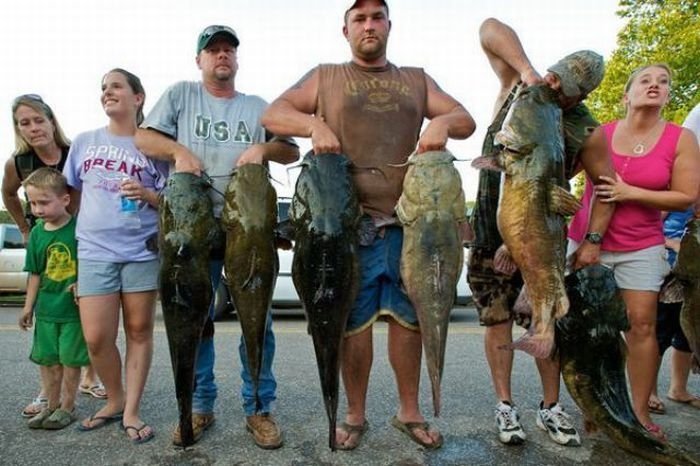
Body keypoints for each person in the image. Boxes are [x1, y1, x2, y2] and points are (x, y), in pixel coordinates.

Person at [262, 0, 475, 450]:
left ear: (389, 26)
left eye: (377, 17)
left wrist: (440, 121)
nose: (369, 25)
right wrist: (311, 124)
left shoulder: (415, 79)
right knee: (352, 325)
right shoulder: (326, 76)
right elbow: (273, 114)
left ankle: (409, 412)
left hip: (409, 225)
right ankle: (355, 414)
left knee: (408, 321)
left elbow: (466, 120)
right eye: (359, 19)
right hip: (345, 227)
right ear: (346, 31)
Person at [135, 25, 299, 449]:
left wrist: (263, 150)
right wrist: (179, 152)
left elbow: (291, 149)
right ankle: (199, 405)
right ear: (199, 61)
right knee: (196, 319)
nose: (221, 56)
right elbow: (142, 136)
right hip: (191, 228)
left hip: (248, 226)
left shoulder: (257, 106)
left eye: (228, 50)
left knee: (257, 322)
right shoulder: (180, 95)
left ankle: (259, 408)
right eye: (213, 51)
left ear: (237, 60)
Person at [468, 18, 614, 447]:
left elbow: (605, 190)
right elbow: (489, 28)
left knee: (544, 312)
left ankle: (551, 407)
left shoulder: (586, 129)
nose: (551, 82)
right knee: (496, 320)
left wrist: (592, 241)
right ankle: (505, 405)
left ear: (581, 96)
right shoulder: (520, 86)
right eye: (553, 71)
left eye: (562, 83)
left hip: (543, 234)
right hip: (489, 231)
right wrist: (528, 70)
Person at [567, 64, 700, 440]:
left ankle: (638, 413)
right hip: (587, 239)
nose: (655, 85)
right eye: (645, 80)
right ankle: (596, 409)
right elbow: (562, 171)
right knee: (589, 331)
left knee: (641, 326)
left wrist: (631, 193)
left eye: (663, 82)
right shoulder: (601, 133)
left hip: (642, 244)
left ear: (668, 96)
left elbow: (686, 196)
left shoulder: (680, 138)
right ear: (626, 95)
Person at [65, 68, 166, 444]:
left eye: (116, 86)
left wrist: (148, 194)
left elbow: (172, 202)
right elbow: (72, 196)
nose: (107, 92)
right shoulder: (85, 142)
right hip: (94, 253)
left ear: (138, 97)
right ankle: (114, 396)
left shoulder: (154, 146)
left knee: (139, 332)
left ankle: (131, 409)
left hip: (141, 252)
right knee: (96, 338)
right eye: (103, 87)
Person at [4, 95, 104, 418]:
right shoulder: (18, 163)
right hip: (45, 240)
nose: (33, 128)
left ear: (51, 120)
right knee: (52, 326)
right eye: (24, 123)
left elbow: (90, 192)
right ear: (18, 128)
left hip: (80, 236)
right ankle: (48, 394)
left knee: (84, 320)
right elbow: (7, 192)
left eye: (38, 120)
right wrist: (22, 225)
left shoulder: (74, 151)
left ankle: (89, 378)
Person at [18, 167, 90, 430]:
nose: (37, 209)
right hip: (46, 311)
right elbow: (35, 273)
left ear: (65, 199)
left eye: (44, 202)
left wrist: (83, 282)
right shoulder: (36, 233)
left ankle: (67, 406)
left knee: (70, 360)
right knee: (48, 360)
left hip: (73, 311)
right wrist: (28, 307)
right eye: (33, 202)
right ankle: (50, 405)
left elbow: (89, 264)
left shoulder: (79, 229)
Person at [649, 103, 700, 414]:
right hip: (676, 238)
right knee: (662, 322)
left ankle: (678, 388)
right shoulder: (696, 118)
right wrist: (662, 239)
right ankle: (649, 389)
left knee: (691, 325)